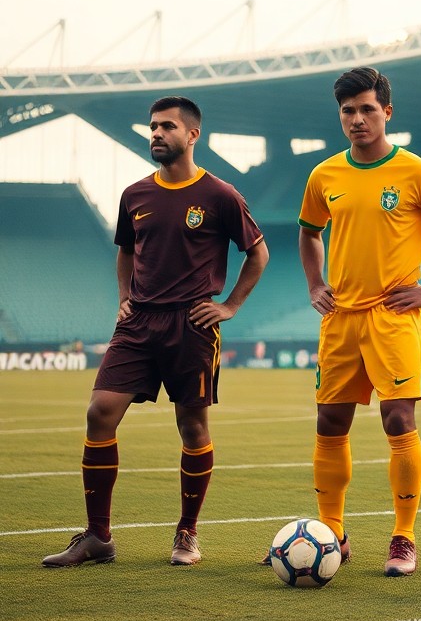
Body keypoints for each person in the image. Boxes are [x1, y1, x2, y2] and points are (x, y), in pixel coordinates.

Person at [43, 95, 268, 568]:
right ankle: (98, 538)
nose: (156, 135)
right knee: (100, 412)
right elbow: (125, 251)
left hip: (192, 323)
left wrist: (229, 305)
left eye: (167, 127)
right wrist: (124, 296)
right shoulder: (135, 195)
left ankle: (187, 533)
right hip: (139, 322)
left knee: (191, 426)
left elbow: (258, 254)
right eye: (152, 127)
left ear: (192, 135)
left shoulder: (221, 196)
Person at [295, 66, 421, 577]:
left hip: (394, 315)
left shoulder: (417, 172)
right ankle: (332, 532)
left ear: (387, 112)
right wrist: (315, 283)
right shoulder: (325, 175)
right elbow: (309, 231)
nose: (357, 120)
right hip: (340, 318)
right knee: (330, 423)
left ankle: (403, 537)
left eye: (367, 110)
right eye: (348, 111)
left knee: (398, 419)